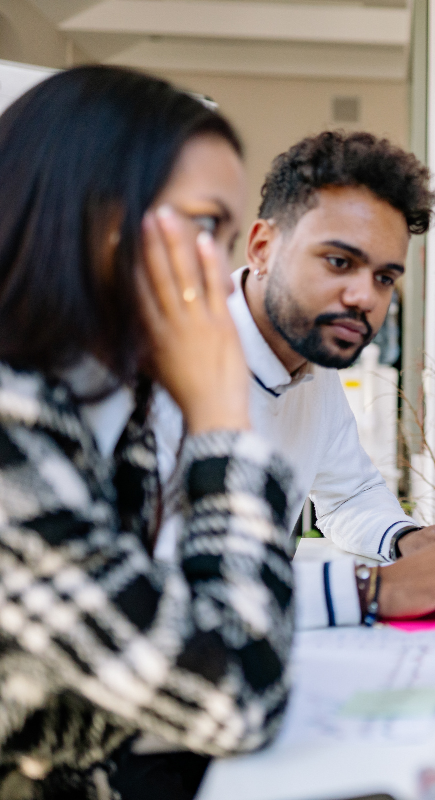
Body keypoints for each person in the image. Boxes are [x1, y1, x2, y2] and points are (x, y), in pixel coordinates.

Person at [0, 66, 294, 798]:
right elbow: (234, 696)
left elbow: (100, 696)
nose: (221, 278)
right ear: (86, 213)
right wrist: (222, 420)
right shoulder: (11, 424)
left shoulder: (96, 407)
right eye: (201, 226)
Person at [154, 131, 435, 630]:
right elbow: (154, 584)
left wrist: (404, 539)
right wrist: (371, 590)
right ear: (263, 248)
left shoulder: (315, 360)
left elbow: (348, 494)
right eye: (339, 262)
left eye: (384, 277)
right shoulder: (157, 367)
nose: (365, 297)